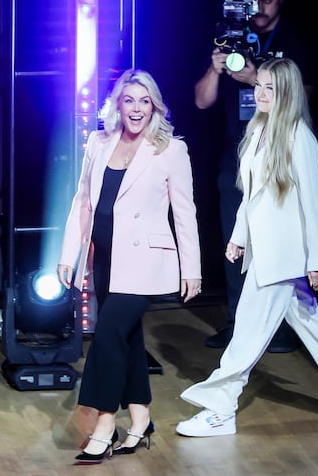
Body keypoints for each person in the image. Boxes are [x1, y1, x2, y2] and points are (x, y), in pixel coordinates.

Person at [176, 57, 318, 437]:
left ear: (286, 92)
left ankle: (220, 407)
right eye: (259, 85)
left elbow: (313, 202)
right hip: (265, 251)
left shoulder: (298, 137)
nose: (260, 93)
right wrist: (239, 237)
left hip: (284, 255)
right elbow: (252, 196)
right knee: (311, 323)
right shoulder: (257, 131)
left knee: (249, 331)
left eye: (270, 88)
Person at [57, 69, 202, 463]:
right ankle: (141, 418)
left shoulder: (170, 149)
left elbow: (184, 212)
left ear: (154, 105)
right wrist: (69, 255)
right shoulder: (99, 142)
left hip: (145, 262)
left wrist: (193, 269)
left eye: (144, 101)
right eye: (129, 100)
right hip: (104, 257)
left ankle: (105, 422)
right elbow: (83, 201)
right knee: (127, 339)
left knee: (106, 335)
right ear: (118, 104)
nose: (136, 109)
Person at [196, 0, 314, 352]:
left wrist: (253, 77)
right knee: (235, 242)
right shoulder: (232, 38)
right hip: (238, 157)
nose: (260, 4)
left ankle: (283, 328)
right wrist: (218, 69)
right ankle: (239, 323)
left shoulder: (295, 39)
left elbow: (306, 97)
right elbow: (201, 100)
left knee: (280, 243)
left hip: (281, 157)